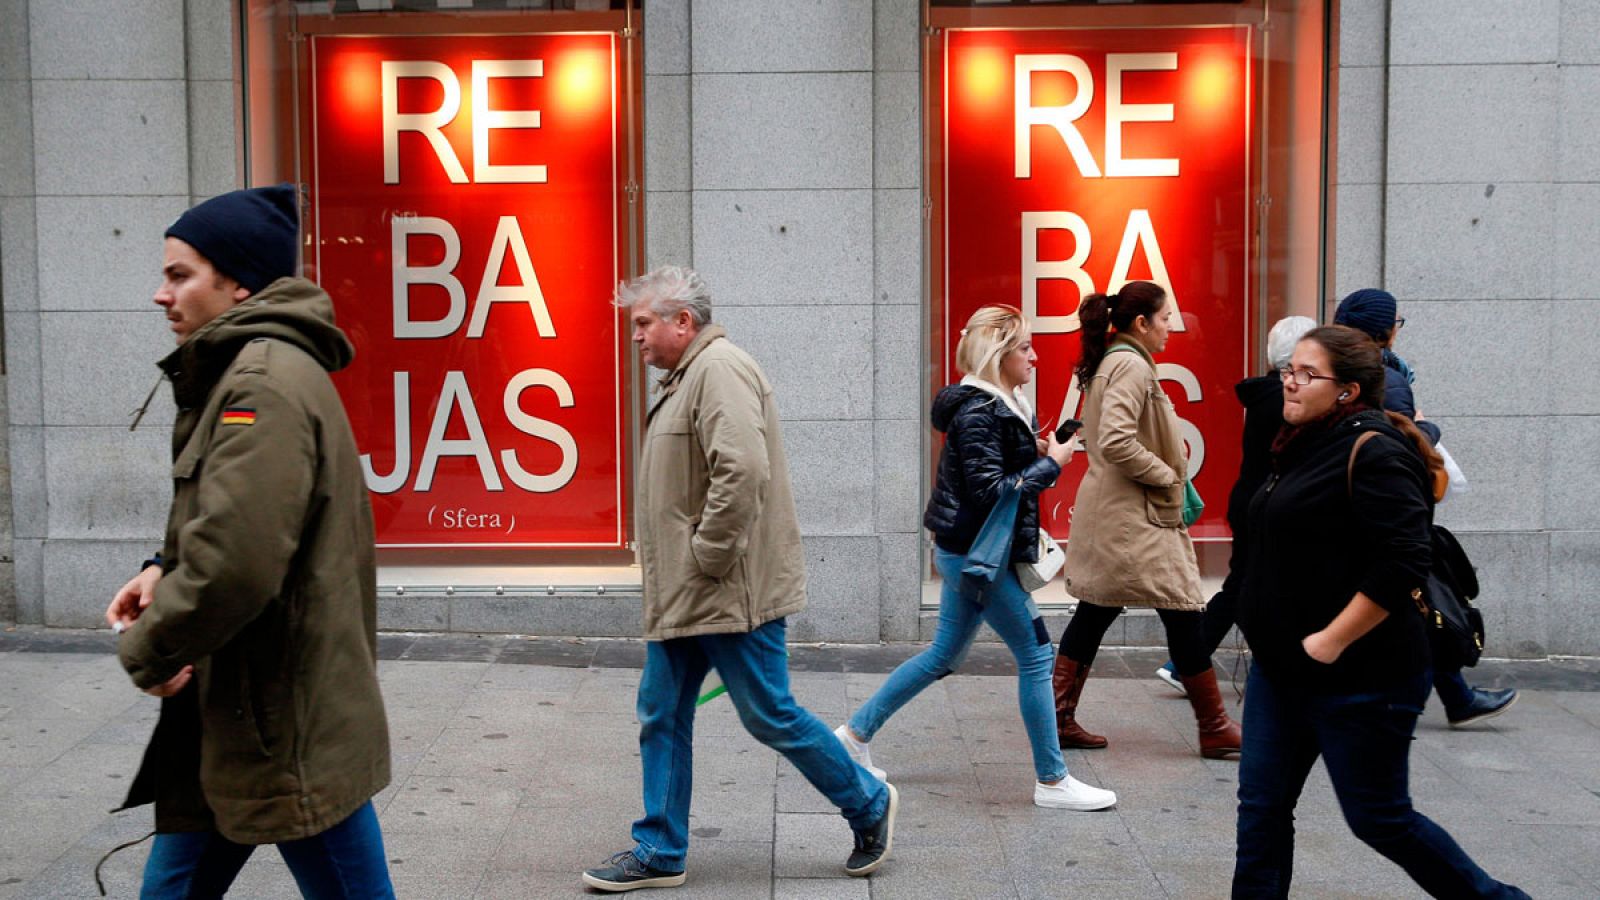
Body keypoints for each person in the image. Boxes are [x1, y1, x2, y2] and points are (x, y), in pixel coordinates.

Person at [104, 185, 395, 898]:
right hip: (243, 703)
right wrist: (160, 568)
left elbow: (236, 563)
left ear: (237, 282)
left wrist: (150, 650)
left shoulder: (259, 384)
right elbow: (233, 518)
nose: (160, 294)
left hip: (278, 715)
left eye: (180, 275)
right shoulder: (245, 370)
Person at [582, 266, 896, 892]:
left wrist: (709, 556)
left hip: (727, 589)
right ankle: (660, 849)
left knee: (769, 715)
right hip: (688, 591)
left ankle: (869, 804)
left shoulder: (717, 369)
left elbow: (742, 471)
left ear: (682, 322)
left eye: (643, 324)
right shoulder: (688, 375)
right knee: (661, 712)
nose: (636, 338)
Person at [1231, 324, 1527, 898]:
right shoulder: (1298, 441)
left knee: (1380, 818)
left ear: (1347, 391)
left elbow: (1402, 563)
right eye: (1289, 369)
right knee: (1261, 810)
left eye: (1305, 374)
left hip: (1363, 678)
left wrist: (1330, 641)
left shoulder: (1374, 451)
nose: (1289, 382)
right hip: (1281, 671)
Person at [833, 306, 1117, 811]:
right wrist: (1050, 464)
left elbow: (996, 472)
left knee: (943, 655)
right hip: (980, 558)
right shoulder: (979, 411)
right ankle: (1052, 781)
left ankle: (853, 737)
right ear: (999, 354)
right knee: (1035, 655)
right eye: (1024, 347)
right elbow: (990, 491)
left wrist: (1046, 447)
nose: (1034, 354)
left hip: (973, 553)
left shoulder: (1003, 402)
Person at [1052, 281, 1243, 758]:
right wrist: (1166, 474)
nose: (1171, 328)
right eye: (1165, 318)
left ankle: (1058, 717)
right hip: (1135, 516)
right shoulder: (1131, 366)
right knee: (1179, 608)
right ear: (1141, 323)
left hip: (1125, 515)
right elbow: (1116, 440)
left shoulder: (1119, 363)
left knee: (1099, 610)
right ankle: (1214, 727)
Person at [1334, 288, 1517, 727]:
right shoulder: (1388, 378)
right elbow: (1402, 446)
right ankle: (1447, 697)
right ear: (1383, 330)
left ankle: (1455, 696)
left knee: (1413, 606)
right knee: (1419, 603)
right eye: (1395, 322)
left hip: (1363, 510)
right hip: (1392, 515)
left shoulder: (1346, 369)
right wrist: (1426, 427)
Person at [1155, 315, 1317, 695]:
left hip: (1252, 500)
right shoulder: (1283, 400)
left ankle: (1184, 663)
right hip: (1266, 505)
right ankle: (1187, 663)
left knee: (1242, 582)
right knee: (1245, 584)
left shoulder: (1266, 395)